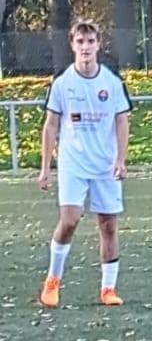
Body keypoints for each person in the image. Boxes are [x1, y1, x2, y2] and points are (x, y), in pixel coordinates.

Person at [38, 20, 132, 307]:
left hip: (105, 165)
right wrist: (45, 168)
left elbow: (122, 121)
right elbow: (51, 125)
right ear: (72, 45)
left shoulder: (112, 83)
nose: (86, 47)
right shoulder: (63, 83)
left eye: (90, 41)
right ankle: (53, 280)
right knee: (69, 221)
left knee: (108, 225)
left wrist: (120, 160)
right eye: (80, 42)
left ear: (98, 44)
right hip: (74, 164)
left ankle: (108, 289)